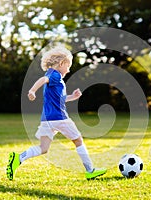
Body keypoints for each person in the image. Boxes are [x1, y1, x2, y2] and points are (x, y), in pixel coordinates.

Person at [6, 46, 107, 180]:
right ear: (61, 63)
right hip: (60, 118)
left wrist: (72, 96)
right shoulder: (54, 75)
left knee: (43, 148)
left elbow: (60, 99)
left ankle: (18, 158)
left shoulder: (53, 76)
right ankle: (90, 170)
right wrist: (32, 90)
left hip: (46, 119)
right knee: (78, 140)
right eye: (68, 66)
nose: (69, 70)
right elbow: (43, 80)